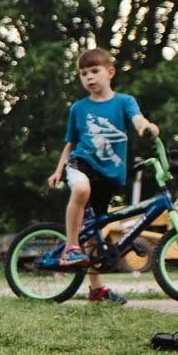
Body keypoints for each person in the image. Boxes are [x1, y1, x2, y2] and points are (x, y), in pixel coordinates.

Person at [46, 47, 159, 304]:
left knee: (95, 229)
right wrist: (58, 170)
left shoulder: (124, 102)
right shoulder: (78, 108)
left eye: (95, 71)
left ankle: (96, 290)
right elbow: (70, 143)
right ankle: (70, 248)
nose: (89, 77)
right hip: (82, 162)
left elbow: (137, 119)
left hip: (110, 175)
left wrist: (147, 128)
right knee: (81, 190)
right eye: (83, 73)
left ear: (110, 72)